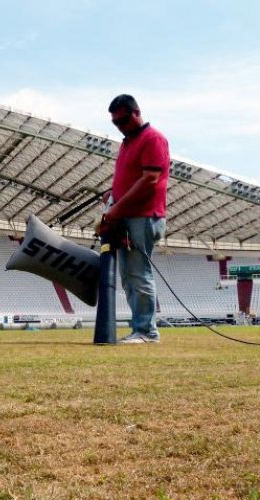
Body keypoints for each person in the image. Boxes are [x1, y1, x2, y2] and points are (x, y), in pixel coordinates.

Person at [103, 94, 170, 344]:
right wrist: (113, 195)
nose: (120, 126)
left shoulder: (153, 139)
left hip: (142, 217)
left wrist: (117, 208)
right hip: (128, 217)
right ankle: (140, 328)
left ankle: (146, 331)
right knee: (129, 276)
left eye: (122, 120)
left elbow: (150, 179)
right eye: (115, 123)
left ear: (136, 112)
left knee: (139, 274)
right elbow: (129, 177)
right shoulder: (127, 143)